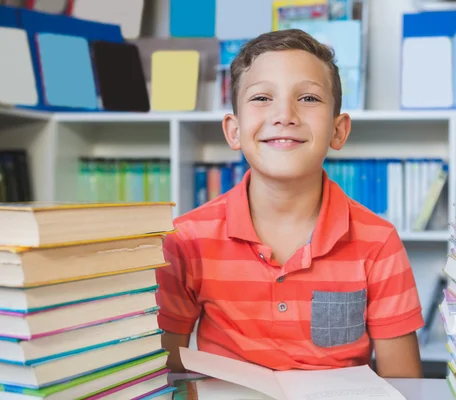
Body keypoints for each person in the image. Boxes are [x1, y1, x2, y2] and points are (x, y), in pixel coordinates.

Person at [156, 28, 424, 378]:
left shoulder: (378, 242)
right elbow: (164, 371)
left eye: (309, 99)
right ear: (234, 131)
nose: (285, 115)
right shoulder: (185, 239)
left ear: (338, 130)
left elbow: (404, 384)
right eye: (262, 98)